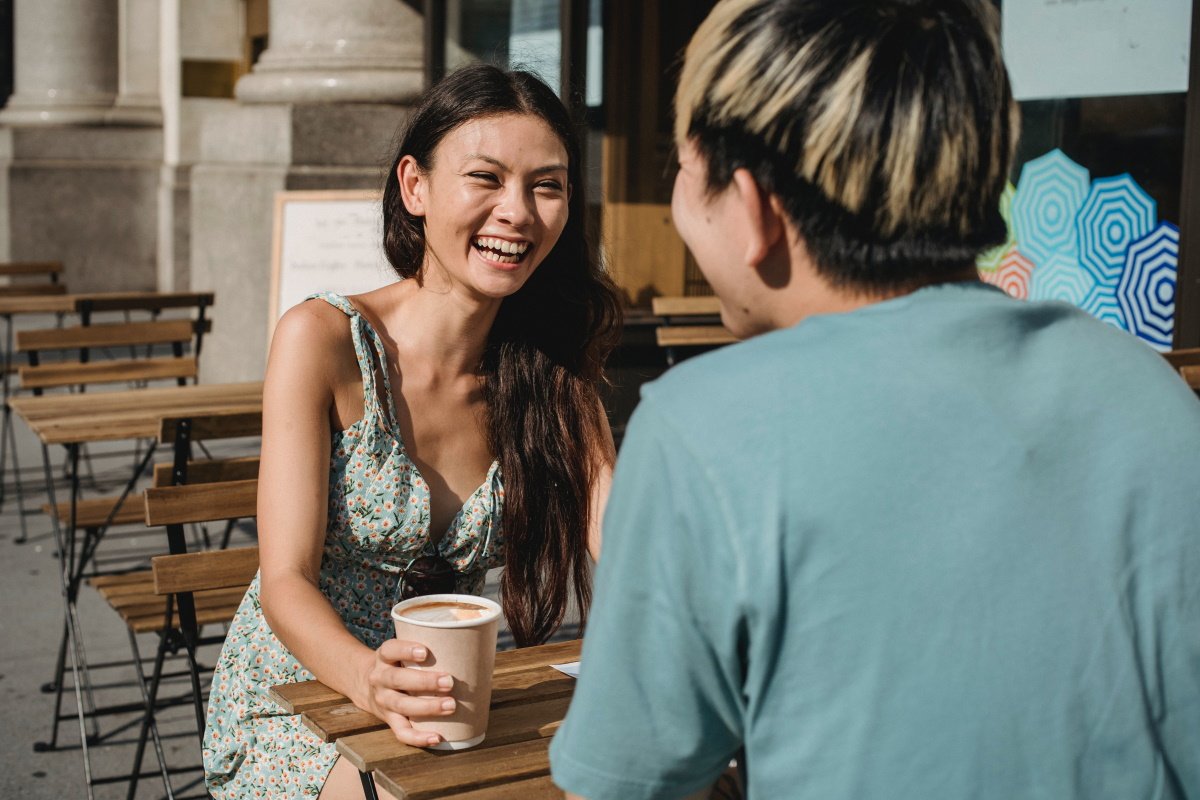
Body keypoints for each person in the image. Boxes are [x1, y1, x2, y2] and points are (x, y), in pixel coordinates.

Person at [549, 1, 1200, 798]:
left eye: (683, 174)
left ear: (752, 207)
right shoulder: (1146, 393)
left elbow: (622, 783)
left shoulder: (703, 427)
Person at [203, 64, 622, 799]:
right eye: (486, 178)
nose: (517, 211)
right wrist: (370, 678)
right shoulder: (324, 339)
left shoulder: (552, 373)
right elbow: (286, 580)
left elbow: (626, 543)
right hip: (297, 697)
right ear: (415, 187)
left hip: (453, 706)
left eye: (546, 186)